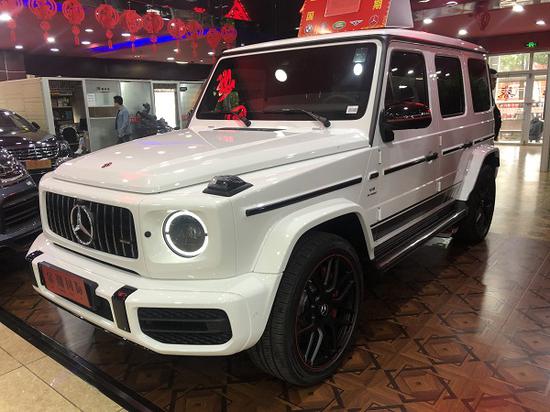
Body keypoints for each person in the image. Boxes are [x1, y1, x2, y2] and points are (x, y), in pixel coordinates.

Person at [489, 68, 502, 141]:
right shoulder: (482, 94)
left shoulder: (489, 94)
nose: (495, 83)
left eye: (495, 80)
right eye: (493, 80)